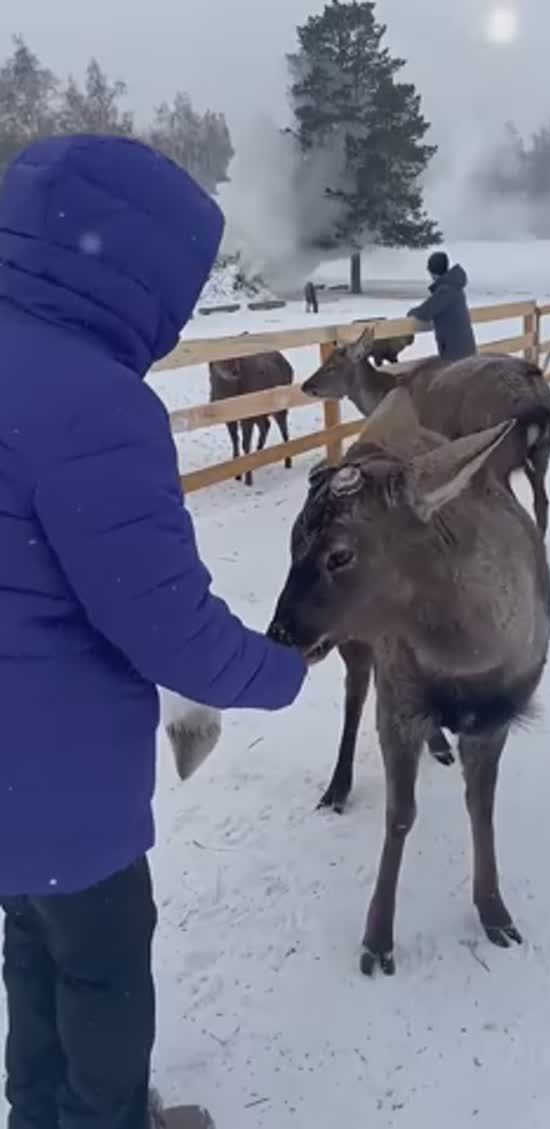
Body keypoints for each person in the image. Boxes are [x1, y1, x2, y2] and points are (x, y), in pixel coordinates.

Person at [0, 135, 307, 1129]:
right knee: (101, 965)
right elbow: (165, 623)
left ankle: (38, 1114)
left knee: (30, 943)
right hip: (57, 776)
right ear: (140, 268)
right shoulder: (94, 404)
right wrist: (280, 669)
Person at [407, 250, 476, 361]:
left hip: (455, 350)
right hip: (463, 347)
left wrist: (411, 313)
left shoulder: (445, 291)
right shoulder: (454, 286)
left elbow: (425, 312)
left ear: (432, 272)